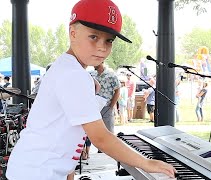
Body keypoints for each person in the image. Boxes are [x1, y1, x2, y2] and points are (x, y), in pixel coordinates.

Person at [6, 0, 176, 179]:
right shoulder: (73, 74)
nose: (102, 47)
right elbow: (101, 138)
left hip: (36, 169)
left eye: (109, 40)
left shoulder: (69, 68)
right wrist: (146, 163)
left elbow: (67, 134)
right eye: (94, 37)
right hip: (37, 172)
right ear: (73, 33)